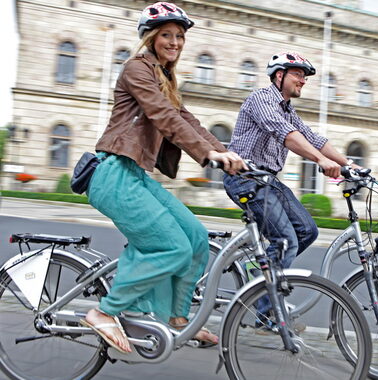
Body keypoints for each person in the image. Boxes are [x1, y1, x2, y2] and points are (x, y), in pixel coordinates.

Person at [81, 2, 246, 353]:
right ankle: (103, 312)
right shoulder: (136, 70)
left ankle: (176, 320)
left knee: (197, 238)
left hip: (135, 175)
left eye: (180, 37)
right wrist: (208, 155)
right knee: (171, 247)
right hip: (113, 173)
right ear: (152, 38)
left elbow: (188, 121)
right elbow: (163, 117)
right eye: (167, 35)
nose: (174, 42)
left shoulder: (166, 78)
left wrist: (226, 152)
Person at [223, 52, 359, 332]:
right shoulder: (262, 98)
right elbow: (285, 133)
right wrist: (320, 161)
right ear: (279, 75)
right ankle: (266, 312)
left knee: (307, 231)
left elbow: (312, 138)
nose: (303, 81)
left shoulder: (288, 110)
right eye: (298, 74)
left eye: (305, 77)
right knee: (286, 240)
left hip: (268, 180)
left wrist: (349, 164)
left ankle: (260, 271)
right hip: (246, 178)